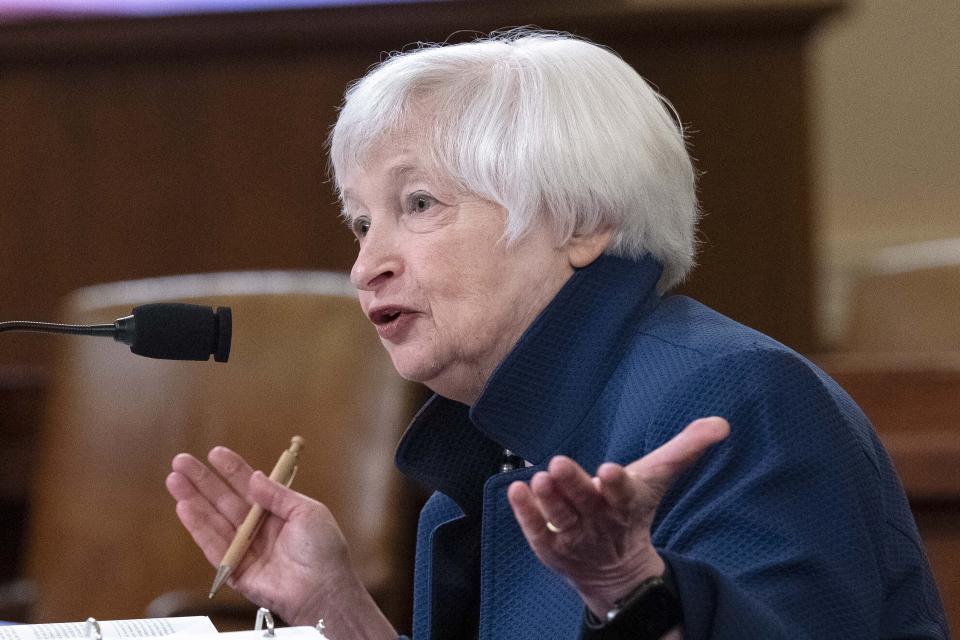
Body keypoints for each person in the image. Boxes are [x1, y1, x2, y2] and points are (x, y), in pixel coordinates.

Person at [165, 30, 948, 639]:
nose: (366, 266)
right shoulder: (477, 471)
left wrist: (633, 589)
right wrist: (335, 608)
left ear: (579, 220)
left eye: (420, 204)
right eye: (362, 222)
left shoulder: (734, 395)